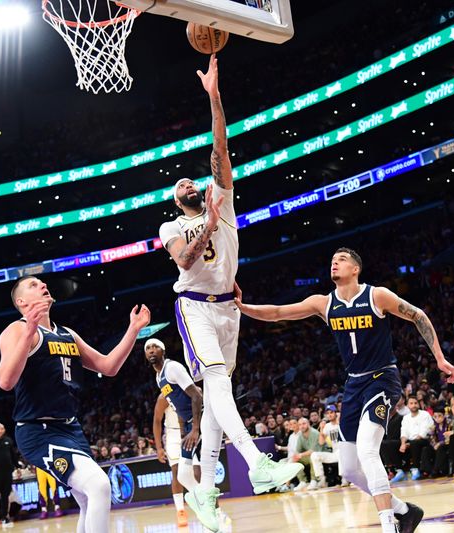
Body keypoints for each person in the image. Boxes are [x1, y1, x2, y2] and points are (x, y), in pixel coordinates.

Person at [157, 54, 301, 530]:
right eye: (180, 185)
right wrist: (207, 230)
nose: (188, 181)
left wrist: (214, 97)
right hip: (194, 307)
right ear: (178, 201)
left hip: (228, 307)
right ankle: (256, 464)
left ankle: (204, 495)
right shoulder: (172, 224)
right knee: (217, 382)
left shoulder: (222, 198)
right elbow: (182, 259)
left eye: (191, 178)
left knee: (221, 391)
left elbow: (220, 146)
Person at [236, 247, 454, 533]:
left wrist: (439, 358)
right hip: (353, 384)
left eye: (341, 260)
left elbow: (418, 315)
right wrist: (244, 308)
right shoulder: (324, 303)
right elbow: (279, 312)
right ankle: (404, 510)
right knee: (350, 469)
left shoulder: (377, 295)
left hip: (382, 379)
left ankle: (388, 526)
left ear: (355, 269)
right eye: (332, 261)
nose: (334, 264)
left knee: (367, 449)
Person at [0, 275, 151, 533]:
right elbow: (5, 381)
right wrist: (29, 332)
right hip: (38, 431)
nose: (43, 285)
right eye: (34, 285)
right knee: (100, 486)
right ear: (22, 302)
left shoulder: (67, 333)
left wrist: (133, 330)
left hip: (70, 428)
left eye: (42, 283)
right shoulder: (16, 330)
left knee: (86, 499)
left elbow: (108, 366)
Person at [147, 338, 203, 528]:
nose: (151, 350)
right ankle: (181, 509)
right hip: (173, 433)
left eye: (155, 347)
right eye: (147, 348)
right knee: (177, 472)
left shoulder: (173, 371)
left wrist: (191, 428)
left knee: (197, 470)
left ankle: (206, 504)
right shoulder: (161, 387)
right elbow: (156, 420)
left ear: (163, 351)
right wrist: (159, 447)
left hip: (188, 427)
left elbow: (196, 394)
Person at [393, 397, 434, 482]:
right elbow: (404, 432)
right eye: (411, 403)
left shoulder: (425, 414)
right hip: (411, 441)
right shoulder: (406, 418)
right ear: (408, 405)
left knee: (415, 443)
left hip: (424, 440)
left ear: (418, 404)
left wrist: (410, 444)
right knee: (389, 444)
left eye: (415, 403)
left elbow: (423, 432)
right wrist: (403, 443)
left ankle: (415, 469)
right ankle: (399, 471)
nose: (414, 405)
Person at [310, 405, 341, 489]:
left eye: (331, 413)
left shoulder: (342, 422)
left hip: (346, 452)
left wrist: (339, 420)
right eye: (327, 413)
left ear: (336, 413)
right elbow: (321, 442)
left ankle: (346, 478)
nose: (329, 415)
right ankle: (321, 479)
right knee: (314, 455)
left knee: (342, 452)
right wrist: (321, 429)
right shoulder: (327, 426)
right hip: (335, 453)